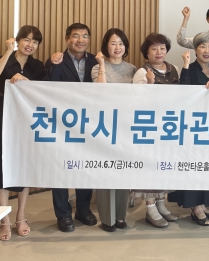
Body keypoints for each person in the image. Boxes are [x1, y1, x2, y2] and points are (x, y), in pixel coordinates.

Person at [43, 23, 98, 232]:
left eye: (85, 36)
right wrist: (55, 65)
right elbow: (46, 87)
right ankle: (63, 214)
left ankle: (83, 209)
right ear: (67, 39)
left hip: (88, 123)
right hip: (61, 123)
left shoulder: (95, 61)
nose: (80, 40)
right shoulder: (56, 59)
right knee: (60, 168)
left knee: (85, 166)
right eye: (76, 36)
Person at [0, 26, 44, 241]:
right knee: (0, 166)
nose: (30, 45)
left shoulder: (37, 66)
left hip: (25, 118)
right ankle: (4, 220)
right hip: (3, 115)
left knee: (23, 165)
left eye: (35, 42)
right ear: (18, 40)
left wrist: (26, 82)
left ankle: (21, 216)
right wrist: (8, 52)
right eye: (26, 40)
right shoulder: (3, 58)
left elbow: (42, 93)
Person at [169, 32, 209, 226]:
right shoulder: (191, 68)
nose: (207, 51)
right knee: (193, 164)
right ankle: (195, 207)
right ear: (195, 49)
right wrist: (185, 66)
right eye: (203, 46)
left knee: (207, 165)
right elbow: (183, 91)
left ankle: (203, 204)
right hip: (193, 126)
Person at [131, 33, 180, 228]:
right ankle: (150, 208)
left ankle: (161, 204)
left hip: (169, 127)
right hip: (150, 128)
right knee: (150, 166)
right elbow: (137, 102)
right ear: (147, 52)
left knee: (164, 165)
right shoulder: (142, 72)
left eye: (162, 48)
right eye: (154, 48)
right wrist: (150, 84)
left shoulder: (174, 69)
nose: (159, 52)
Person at [91, 28, 137, 232]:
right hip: (105, 125)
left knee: (123, 170)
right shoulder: (97, 67)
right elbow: (100, 92)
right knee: (106, 171)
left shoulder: (133, 69)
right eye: (113, 43)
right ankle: (107, 219)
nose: (117, 47)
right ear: (105, 46)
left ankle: (120, 216)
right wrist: (102, 65)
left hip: (126, 125)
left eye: (121, 43)